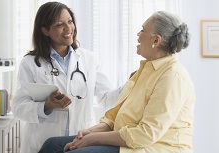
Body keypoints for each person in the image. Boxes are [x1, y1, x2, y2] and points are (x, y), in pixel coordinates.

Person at [39, 11, 196, 153]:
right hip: (129, 141)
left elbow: (145, 135)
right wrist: (91, 132)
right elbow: (116, 118)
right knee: (51, 145)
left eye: (142, 30)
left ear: (156, 40)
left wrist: (93, 139)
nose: (138, 34)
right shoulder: (145, 70)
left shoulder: (172, 77)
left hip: (153, 147)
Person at [11, 2, 122, 153]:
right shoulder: (30, 63)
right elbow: (18, 107)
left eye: (70, 21)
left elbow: (108, 98)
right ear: (45, 30)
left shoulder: (89, 59)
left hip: (80, 140)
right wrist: (46, 106)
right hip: (43, 142)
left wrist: (132, 83)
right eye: (59, 24)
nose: (68, 28)